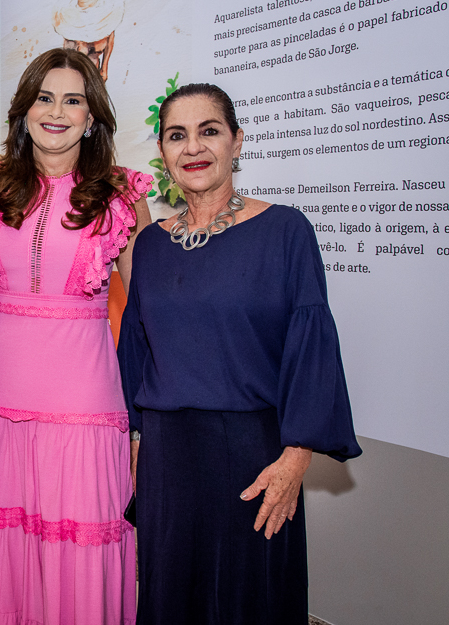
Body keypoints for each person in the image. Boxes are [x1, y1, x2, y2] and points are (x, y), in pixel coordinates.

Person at [117, 83, 362, 624]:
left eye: (209, 131)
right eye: (176, 135)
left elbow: (311, 345)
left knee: (252, 599)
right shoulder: (151, 245)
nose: (193, 147)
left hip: (255, 456)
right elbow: (135, 348)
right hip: (168, 459)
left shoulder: (285, 230)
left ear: (237, 142)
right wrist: (136, 443)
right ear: (162, 152)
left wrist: (296, 458)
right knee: (170, 595)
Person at [0, 47, 152, 625]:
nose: (57, 111)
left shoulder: (122, 194)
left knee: (73, 558)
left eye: (73, 99)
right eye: (44, 97)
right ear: (24, 110)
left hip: (82, 406)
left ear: (92, 116)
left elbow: (156, 309)